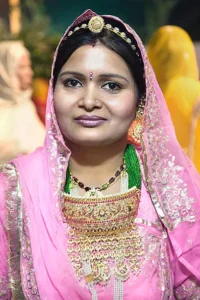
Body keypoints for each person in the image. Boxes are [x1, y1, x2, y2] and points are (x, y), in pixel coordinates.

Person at [0, 9, 200, 299]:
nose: (90, 100)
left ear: (140, 101)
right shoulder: (14, 191)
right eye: (73, 82)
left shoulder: (169, 190)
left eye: (111, 85)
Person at [0, 41, 45, 164]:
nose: (30, 73)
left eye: (29, 66)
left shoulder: (26, 105)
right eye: (22, 67)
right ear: (5, 70)